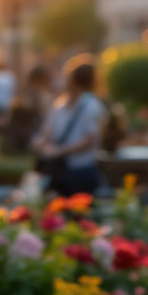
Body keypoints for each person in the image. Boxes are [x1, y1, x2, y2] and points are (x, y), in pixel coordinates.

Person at [32, 61, 105, 197]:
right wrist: (42, 143)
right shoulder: (61, 104)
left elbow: (89, 141)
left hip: (80, 171)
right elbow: (48, 132)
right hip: (61, 170)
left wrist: (59, 151)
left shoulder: (90, 106)